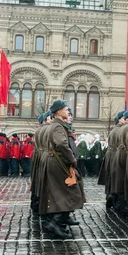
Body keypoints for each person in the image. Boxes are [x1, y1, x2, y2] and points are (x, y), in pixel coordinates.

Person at [40, 100, 84, 239]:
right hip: (59, 162)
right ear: (58, 112)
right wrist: (72, 159)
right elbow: (61, 144)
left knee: (61, 192)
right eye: (65, 110)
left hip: (54, 161)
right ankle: (55, 222)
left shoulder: (56, 126)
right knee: (69, 191)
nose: (68, 112)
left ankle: (58, 222)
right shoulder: (58, 127)